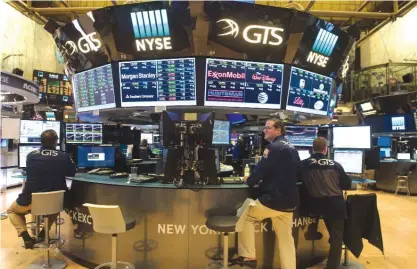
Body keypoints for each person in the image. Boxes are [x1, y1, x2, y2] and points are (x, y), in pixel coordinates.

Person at [238, 118, 300, 269]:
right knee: (286, 240)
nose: (264, 130)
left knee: (245, 215)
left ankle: (249, 256)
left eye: (268, 128)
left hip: (273, 200)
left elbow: (260, 171)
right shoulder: (292, 147)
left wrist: (249, 181)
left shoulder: (272, 148)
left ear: (278, 130)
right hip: (290, 202)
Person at [7, 130, 76, 249]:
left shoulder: (30, 155)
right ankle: (44, 231)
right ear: (56, 142)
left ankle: (26, 237)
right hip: (54, 202)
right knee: (55, 206)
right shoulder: (64, 156)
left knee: (12, 211)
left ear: (41, 141)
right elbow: (71, 172)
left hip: (30, 201)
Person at [300, 137, 351, 269]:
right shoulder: (335, 165)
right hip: (335, 206)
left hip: (314, 206)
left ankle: (312, 232)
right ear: (325, 149)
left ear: (312, 148)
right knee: (336, 239)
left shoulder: (303, 164)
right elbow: (346, 184)